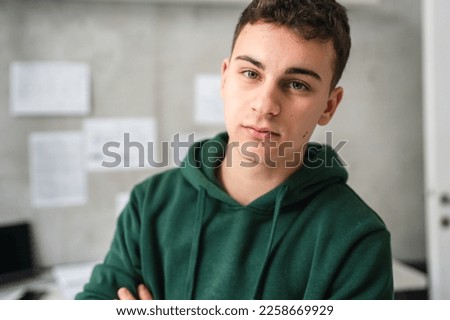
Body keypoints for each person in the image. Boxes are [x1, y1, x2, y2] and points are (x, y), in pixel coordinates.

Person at [76, 0, 393, 300]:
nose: (265, 105)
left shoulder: (358, 238)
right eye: (251, 74)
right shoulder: (150, 204)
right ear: (226, 78)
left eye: (297, 84)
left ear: (329, 105)